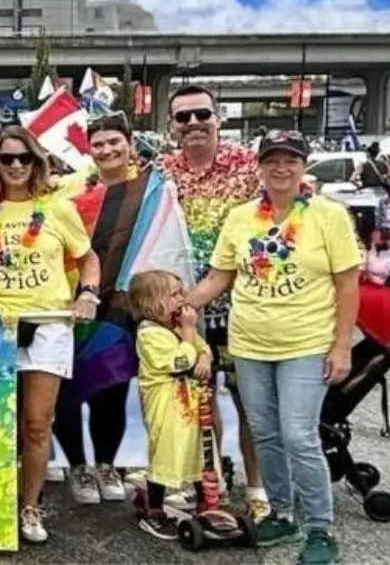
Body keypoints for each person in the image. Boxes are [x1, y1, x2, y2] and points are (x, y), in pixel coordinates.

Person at [187, 131, 361, 565]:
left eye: (291, 160)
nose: (281, 168)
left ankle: (320, 528)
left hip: (306, 343)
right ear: (259, 167)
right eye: (272, 160)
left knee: (299, 436)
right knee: (264, 433)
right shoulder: (241, 217)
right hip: (249, 343)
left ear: (304, 166)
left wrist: (342, 347)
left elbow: (348, 283)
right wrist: (179, 302)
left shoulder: (329, 215)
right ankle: (282, 514)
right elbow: (220, 277)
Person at [0, 125, 101, 545]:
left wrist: (88, 294)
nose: (16, 166)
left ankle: (29, 505)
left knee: (37, 425)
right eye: (7, 159)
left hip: (48, 325)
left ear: (36, 161)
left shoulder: (56, 208)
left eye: (24, 158)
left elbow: (87, 258)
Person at [159, 84, 266, 516]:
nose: (193, 124)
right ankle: (212, 482)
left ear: (217, 118)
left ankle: (258, 491)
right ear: (171, 127)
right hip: (188, 309)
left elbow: (298, 207)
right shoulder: (161, 172)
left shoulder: (252, 166)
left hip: (246, 308)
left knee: (250, 403)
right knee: (199, 401)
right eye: (183, 118)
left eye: (201, 114)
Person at [53, 113, 141, 506]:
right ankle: (77, 467)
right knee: (66, 391)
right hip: (75, 300)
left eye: (114, 142)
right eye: (99, 144)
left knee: (112, 388)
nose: (106, 150)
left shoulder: (149, 191)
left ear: (129, 144)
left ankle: (106, 464)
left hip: (123, 305)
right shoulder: (69, 190)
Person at [128, 270, 213, 540]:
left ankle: (206, 503)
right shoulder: (149, 334)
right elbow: (179, 362)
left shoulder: (175, 327)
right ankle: (154, 509)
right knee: (166, 453)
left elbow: (202, 348)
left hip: (191, 405)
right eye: (174, 294)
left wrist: (206, 358)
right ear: (152, 303)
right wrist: (189, 334)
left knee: (199, 452)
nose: (182, 299)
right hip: (166, 408)